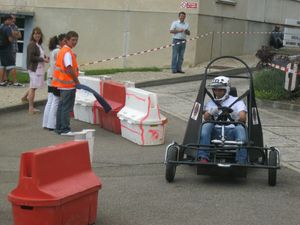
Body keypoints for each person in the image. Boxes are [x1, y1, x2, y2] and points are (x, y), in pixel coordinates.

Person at [197, 76, 248, 164]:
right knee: (206, 126)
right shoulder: (211, 102)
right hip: (215, 131)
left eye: (220, 90)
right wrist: (212, 111)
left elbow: (243, 117)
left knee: (240, 129)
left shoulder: (237, 101)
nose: (217, 92)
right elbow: (205, 117)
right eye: (215, 90)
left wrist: (235, 116)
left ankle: (241, 160)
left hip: (232, 130)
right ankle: (203, 157)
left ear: (227, 89)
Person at [52, 31, 80, 135]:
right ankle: (65, 129)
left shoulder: (63, 50)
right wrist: (76, 81)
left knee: (61, 106)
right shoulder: (68, 52)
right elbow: (69, 69)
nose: (75, 42)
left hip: (62, 84)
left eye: (76, 40)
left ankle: (58, 128)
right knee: (66, 107)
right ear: (67, 40)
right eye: (73, 40)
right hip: (68, 85)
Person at [21, 27, 49, 114]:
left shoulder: (38, 45)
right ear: (32, 35)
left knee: (35, 85)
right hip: (33, 69)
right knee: (33, 87)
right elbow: (31, 57)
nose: (37, 35)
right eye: (35, 33)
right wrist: (42, 59)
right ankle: (31, 108)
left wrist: (45, 57)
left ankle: (24, 97)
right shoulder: (32, 44)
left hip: (39, 68)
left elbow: (40, 55)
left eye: (39, 33)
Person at [42, 33, 66, 130]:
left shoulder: (53, 51)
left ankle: (46, 123)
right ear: (60, 41)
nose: (66, 43)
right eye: (65, 41)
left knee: (50, 100)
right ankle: (52, 124)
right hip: (55, 78)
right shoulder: (59, 51)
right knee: (55, 100)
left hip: (50, 77)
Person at [8, 14, 23, 87]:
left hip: (14, 48)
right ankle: (13, 81)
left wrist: (14, 33)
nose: (14, 20)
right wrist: (15, 33)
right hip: (8, 48)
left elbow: (20, 36)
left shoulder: (15, 27)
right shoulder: (7, 26)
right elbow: (9, 35)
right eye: (13, 18)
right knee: (9, 65)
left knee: (12, 64)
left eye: (15, 19)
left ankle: (7, 80)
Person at [0, 15, 14, 87]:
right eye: (11, 20)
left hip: (1, 48)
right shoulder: (8, 28)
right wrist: (13, 36)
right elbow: (10, 39)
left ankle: (2, 81)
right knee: (11, 65)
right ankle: (14, 81)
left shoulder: (1, 27)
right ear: (7, 20)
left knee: (2, 65)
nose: (12, 21)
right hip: (7, 49)